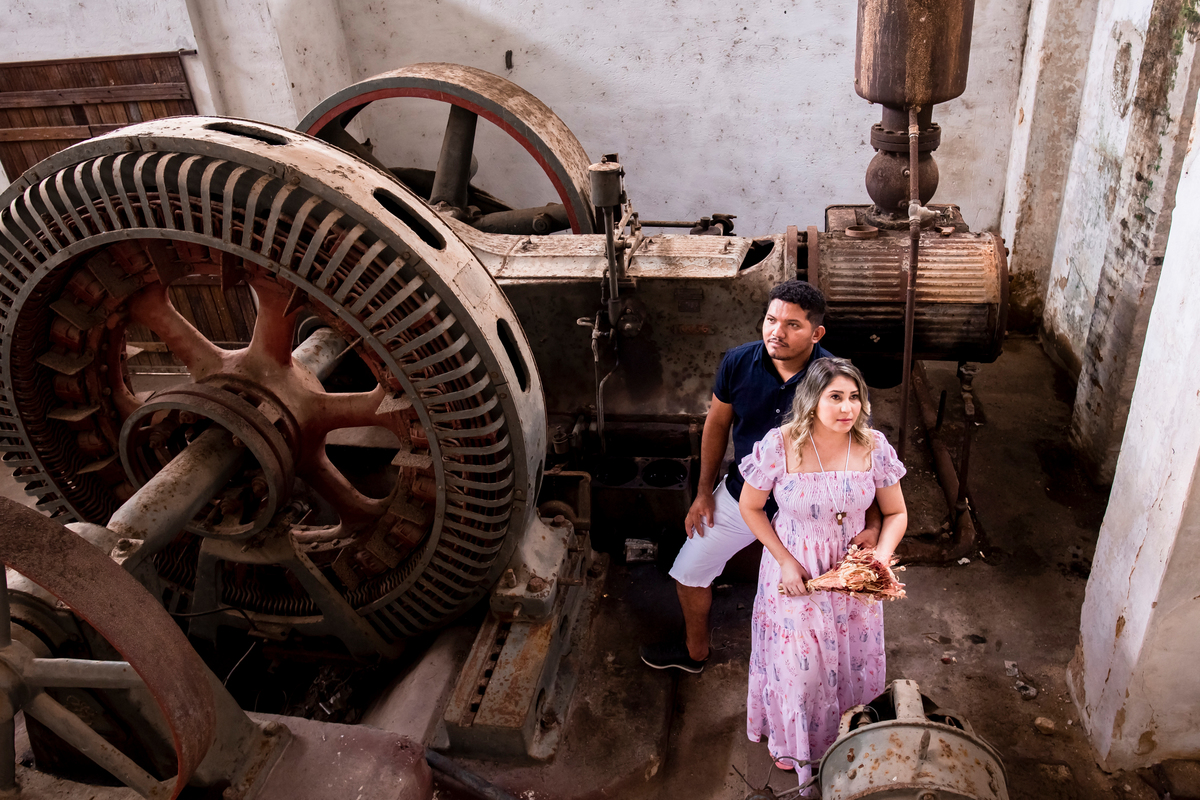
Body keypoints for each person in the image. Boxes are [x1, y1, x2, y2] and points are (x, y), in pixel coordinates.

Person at [639, 280, 881, 673]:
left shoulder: (834, 379)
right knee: (688, 571)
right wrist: (704, 492)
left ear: (817, 333)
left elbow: (858, 453)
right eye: (771, 320)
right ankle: (695, 652)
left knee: (823, 595)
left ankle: (822, 669)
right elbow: (716, 425)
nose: (776, 332)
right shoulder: (737, 362)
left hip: (808, 508)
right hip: (743, 494)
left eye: (792, 325)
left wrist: (871, 523)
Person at [737, 357, 907, 783]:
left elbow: (896, 512)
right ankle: (798, 750)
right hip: (796, 571)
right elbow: (750, 506)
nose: (847, 408)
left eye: (854, 398)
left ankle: (846, 740)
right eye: (835, 397)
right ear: (812, 400)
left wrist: (879, 558)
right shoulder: (782, 444)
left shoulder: (873, 446)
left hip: (850, 577)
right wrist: (785, 562)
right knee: (803, 666)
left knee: (851, 661)